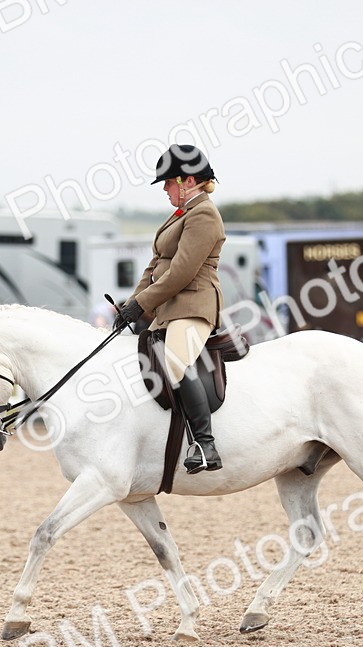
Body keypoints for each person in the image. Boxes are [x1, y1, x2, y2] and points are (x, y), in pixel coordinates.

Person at [112, 144, 225, 473]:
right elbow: (155, 266)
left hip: (193, 305)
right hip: (169, 308)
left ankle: (206, 445)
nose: (164, 188)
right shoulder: (181, 213)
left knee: (175, 362)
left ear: (188, 180)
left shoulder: (204, 214)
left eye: (168, 182)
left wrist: (143, 305)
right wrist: (132, 305)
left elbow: (180, 273)